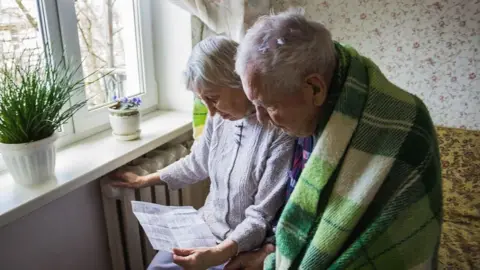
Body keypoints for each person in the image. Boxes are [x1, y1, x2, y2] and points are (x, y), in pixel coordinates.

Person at [229, 9, 442, 270]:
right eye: (254, 105)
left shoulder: (405, 125)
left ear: (315, 88)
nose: (261, 119)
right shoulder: (310, 109)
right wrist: (270, 259)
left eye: (268, 105)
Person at [111, 36, 295, 270]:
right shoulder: (218, 119)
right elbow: (197, 163)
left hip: (244, 247)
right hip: (204, 230)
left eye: (213, 98)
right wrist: (143, 180)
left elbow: (261, 216)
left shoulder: (279, 132)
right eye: (202, 100)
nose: (210, 111)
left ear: (240, 81)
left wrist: (218, 253)